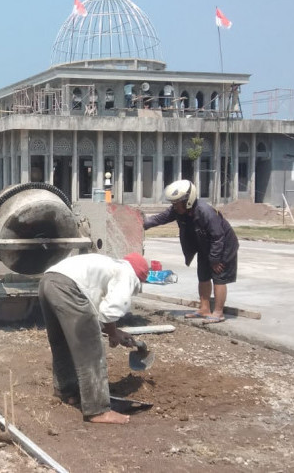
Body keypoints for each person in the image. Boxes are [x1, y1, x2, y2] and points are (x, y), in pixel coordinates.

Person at [38, 252, 149, 425]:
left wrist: (115, 332)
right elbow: (110, 310)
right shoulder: (127, 274)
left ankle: (68, 392)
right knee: (91, 350)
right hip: (68, 287)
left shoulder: (110, 267)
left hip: (48, 281)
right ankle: (98, 410)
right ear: (140, 277)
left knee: (63, 343)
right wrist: (112, 333)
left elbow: (96, 308)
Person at [143, 179, 239, 324]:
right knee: (203, 276)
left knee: (218, 276)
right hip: (205, 246)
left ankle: (218, 312)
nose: (174, 206)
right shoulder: (178, 211)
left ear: (188, 200)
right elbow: (160, 218)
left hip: (223, 246)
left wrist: (215, 259)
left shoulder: (205, 212)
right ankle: (204, 309)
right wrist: (142, 224)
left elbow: (218, 237)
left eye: (177, 202)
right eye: (173, 203)